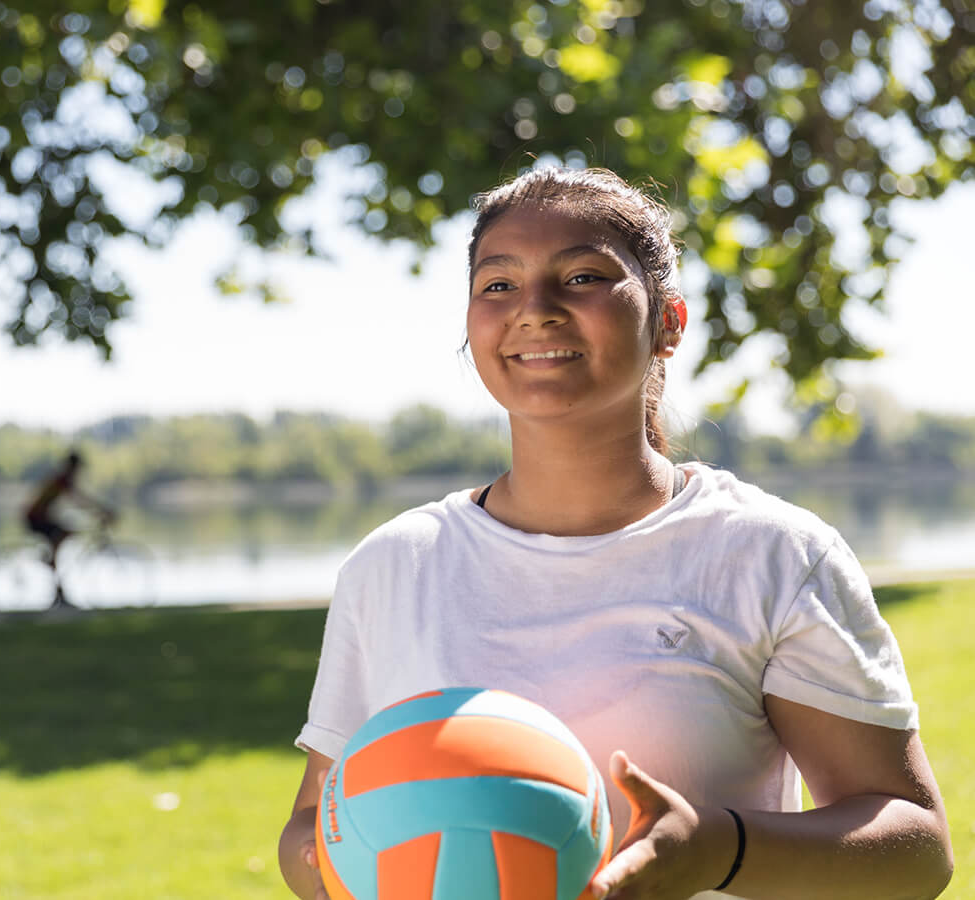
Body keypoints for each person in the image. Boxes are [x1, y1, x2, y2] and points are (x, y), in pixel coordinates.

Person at [277, 167, 952, 900]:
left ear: (668, 322)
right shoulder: (392, 565)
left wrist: (715, 848)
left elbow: (916, 850)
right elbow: (315, 824)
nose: (535, 310)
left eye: (583, 276)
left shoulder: (773, 555)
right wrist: (356, 868)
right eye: (498, 285)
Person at [24, 449, 115, 606]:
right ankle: (51, 561)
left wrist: (98, 510)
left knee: (67, 533)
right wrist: (102, 510)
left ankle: (58, 589)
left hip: (42, 517)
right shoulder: (62, 480)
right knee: (62, 535)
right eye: (78, 468)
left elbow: (78, 500)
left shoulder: (62, 479)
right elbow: (79, 500)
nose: (78, 471)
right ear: (72, 467)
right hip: (35, 518)